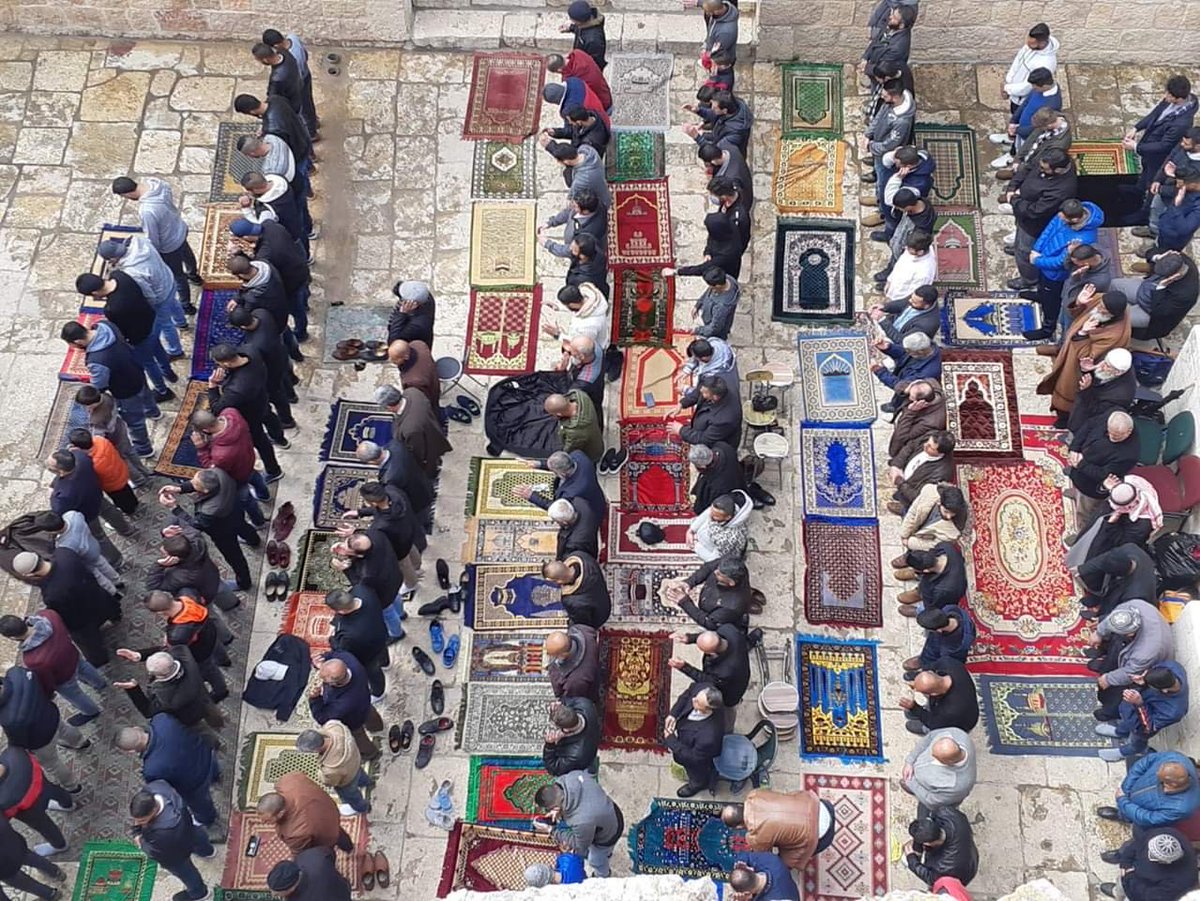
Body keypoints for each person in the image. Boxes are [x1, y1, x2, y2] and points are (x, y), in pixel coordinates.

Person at [59, 320, 159, 457]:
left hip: (125, 391)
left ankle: (144, 449)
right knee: (146, 395)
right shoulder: (105, 325)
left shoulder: (97, 360)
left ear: (78, 341)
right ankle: (154, 412)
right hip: (136, 371)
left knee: (135, 422)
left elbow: (99, 386)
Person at [74, 270, 174, 399]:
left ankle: (162, 391)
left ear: (94, 293)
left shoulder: (112, 309)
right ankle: (169, 373)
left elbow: (120, 330)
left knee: (149, 363)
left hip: (140, 337)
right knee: (158, 348)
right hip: (151, 319)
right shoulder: (119, 276)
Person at [12, 549, 119, 667]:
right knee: (110, 608)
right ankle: (116, 616)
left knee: (89, 643)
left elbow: (64, 614)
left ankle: (100, 660)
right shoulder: (65, 554)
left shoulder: (52, 594)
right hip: (97, 595)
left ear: (30, 574)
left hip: (83, 619)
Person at [1036, 291, 1131, 425]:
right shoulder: (1101, 299)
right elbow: (1076, 315)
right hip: (1070, 348)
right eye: (1100, 304)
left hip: (1077, 366)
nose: (1098, 307)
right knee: (1058, 377)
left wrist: (1082, 334)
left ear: (1111, 314)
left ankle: (1064, 419)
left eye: (1102, 308)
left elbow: (1087, 357)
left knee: (1067, 392)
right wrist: (1078, 303)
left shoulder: (1114, 334)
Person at [159, 469, 259, 591]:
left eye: (194, 484)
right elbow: (201, 481)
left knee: (235, 557)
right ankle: (254, 540)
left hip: (222, 531)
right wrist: (179, 488)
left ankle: (244, 583)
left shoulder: (210, 509)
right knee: (243, 527)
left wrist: (174, 508)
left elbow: (196, 525)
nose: (191, 482)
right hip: (235, 510)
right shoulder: (218, 472)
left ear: (205, 491)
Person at [0, 611, 105, 727]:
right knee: (85, 667)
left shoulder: (32, 659)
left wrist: (49, 694)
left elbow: (46, 681)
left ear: (13, 638)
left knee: (75, 695)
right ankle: (100, 684)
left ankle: (91, 711)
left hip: (63, 677)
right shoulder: (49, 615)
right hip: (73, 655)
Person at [111, 176, 200, 313]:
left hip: (169, 245)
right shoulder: (158, 184)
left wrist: (154, 253)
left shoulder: (147, 211)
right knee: (187, 255)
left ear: (127, 194)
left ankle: (186, 305)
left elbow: (152, 236)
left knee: (178, 276)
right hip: (179, 228)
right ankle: (194, 276)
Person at [115, 715, 220, 830]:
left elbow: (165, 787)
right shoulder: (162, 719)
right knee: (213, 768)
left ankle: (208, 820)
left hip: (195, 785)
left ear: (131, 751)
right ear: (136, 728)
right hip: (205, 754)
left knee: (202, 806)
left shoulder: (151, 770)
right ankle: (216, 776)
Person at [96, 235, 187, 368]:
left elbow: (148, 294)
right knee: (174, 303)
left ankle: (176, 351)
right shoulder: (140, 242)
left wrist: (151, 306)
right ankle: (182, 322)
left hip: (160, 295)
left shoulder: (133, 272)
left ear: (113, 259)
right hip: (168, 279)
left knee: (166, 324)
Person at [1022, 201, 1106, 337]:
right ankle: (1041, 295)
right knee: (1042, 285)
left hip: (1055, 274)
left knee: (1051, 301)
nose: (1059, 218)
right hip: (1042, 258)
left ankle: (1048, 328)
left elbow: (1062, 261)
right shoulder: (1065, 214)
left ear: (1075, 219)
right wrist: (1036, 250)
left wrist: (1037, 261)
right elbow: (1049, 230)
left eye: (1063, 217)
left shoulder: (1084, 239)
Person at [125, 591, 227, 701]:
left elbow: (169, 651)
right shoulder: (188, 597)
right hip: (210, 633)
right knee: (215, 652)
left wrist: (141, 655)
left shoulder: (177, 635)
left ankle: (221, 691)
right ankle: (224, 660)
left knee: (210, 671)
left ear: (161, 613)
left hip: (200, 653)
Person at [0, 666, 88, 794]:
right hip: (50, 714)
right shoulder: (17, 673)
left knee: (53, 764)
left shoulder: (8, 719)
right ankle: (81, 742)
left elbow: (18, 741)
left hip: (41, 740)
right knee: (65, 730)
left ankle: (72, 786)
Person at [207, 342, 286, 482]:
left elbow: (217, 408)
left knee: (261, 442)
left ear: (227, 363)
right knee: (269, 416)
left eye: (218, 363)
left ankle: (274, 470)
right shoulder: (251, 350)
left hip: (250, 414)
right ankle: (280, 438)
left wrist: (213, 386)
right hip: (261, 397)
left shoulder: (236, 389)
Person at [1003, 147, 1079, 291]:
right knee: (1019, 235)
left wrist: (1014, 200)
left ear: (1058, 170)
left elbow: (1035, 211)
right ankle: (1017, 247)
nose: (1040, 169)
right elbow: (1026, 168)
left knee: (1025, 251)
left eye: (1044, 169)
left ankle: (1029, 280)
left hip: (1034, 224)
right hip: (1022, 211)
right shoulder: (1047, 158)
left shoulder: (1061, 190)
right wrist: (1012, 187)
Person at [129, 783, 215, 901]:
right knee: (197, 836)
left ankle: (200, 893)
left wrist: (140, 841)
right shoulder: (158, 786)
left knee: (185, 872)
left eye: (142, 820)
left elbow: (154, 853)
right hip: (188, 826)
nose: (137, 823)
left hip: (174, 852)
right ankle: (208, 851)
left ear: (154, 810)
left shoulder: (161, 833)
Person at [190, 408, 272, 530]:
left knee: (246, 500)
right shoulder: (232, 413)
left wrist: (201, 449)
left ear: (206, 430)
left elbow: (214, 470)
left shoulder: (221, 454)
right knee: (256, 478)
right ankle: (264, 495)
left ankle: (259, 522)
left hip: (238, 476)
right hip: (248, 460)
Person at [988, 22, 1059, 163]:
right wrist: (1007, 82)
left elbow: (1028, 87)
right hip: (1015, 93)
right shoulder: (1030, 46)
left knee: (1021, 126)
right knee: (1015, 116)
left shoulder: (1046, 64)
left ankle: (1012, 154)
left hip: (1021, 96)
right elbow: (1018, 61)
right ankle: (1010, 136)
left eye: (1031, 43)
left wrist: (1008, 89)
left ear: (1041, 42)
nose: (1027, 45)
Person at [1094, 600, 1175, 721]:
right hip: (1136, 653)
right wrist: (1099, 633)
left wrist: (1108, 679)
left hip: (1146, 670)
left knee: (1123, 691)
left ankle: (1112, 711)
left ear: (1130, 634)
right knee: (1115, 648)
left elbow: (1130, 672)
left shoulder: (1145, 653)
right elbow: (1115, 615)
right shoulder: (1135, 606)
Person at [118, 648, 225, 739]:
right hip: (203, 699)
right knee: (213, 714)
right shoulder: (184, 655)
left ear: (155, 674)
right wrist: (139, 655)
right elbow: (167, 649)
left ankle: (214, 744)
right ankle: (219, 724)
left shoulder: (167, 699)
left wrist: (134, 689)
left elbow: (148, 711)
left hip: (190, 717)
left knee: (202, 732)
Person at [533, 771, 622, 877]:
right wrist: (560, 812)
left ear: (555, 807)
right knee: (599, 846)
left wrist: (551, 830)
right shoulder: (571, 776)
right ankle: (607, 854)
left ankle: (603, 875)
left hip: (610, 832)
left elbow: (580, 845)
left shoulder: (582, 821)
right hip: (610, 809)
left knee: (595, 860)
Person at [721, 789, 833, 873]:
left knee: (781, 866)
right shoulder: (754, 795)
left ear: (739, 827)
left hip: (820, 835)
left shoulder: (756, 836)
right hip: (816, 804)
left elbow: (767, 858)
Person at [1095, 662, 1189, 762]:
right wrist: (1143, 679)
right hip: (1132, 711)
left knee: (1137, 740)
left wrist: (1139, 704)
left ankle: (1125, 752)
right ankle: (1120, 732)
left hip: (1140, 725)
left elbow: (1148, 727)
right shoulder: (1173, 666)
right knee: (1127, 722)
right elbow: (1153, 668)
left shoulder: (1174, 711)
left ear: (1164, 690)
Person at [47, 447, 129, 554]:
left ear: (61, 472)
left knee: (99, 536)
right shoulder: (81, 457)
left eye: (50, 467)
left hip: (87, 513)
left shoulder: (63, 494)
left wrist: (51, 494)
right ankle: (126, 530)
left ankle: (115, 559)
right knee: (111, 511)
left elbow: (58, 510)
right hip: (96, 495)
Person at [1126, 76, 1199, 195]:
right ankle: (1139, 189)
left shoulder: (1181, 124)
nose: (1165, 96)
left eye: (1169, 95)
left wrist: (1136, 147)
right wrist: (1136, 128)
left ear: (1179, 99)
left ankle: (1146, 200)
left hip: (1158, 156)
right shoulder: (1170, 100)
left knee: (1152, 179)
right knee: (1145, 169)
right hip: (1149, 146)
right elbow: (1155, 115)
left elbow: (1164, 145)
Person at [0, 746, 78, 857]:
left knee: (45, 827)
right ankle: (68, 805)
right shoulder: (14, 754)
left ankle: (60, 845)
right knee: (56, 791)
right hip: (42, 784)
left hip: (29, 811)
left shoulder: (3, 800)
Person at [228, 306, 295, 433]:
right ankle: (292, 394)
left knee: (277, 395)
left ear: (243, 327)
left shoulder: (255, 345)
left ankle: (287, 420)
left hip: (272, 368)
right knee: (286, 376)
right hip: (280, 352)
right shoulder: (262, 313)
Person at [146, 523, 241, 613]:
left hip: (203, 593)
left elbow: (153, 587)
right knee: (221, 589)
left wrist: (158, 565)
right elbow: (179, 521)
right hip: (212, 575)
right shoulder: (197, 541)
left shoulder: (179, 576)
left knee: (207, 611)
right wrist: (166, 531)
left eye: (164, 553)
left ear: (174, 558)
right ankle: (232, 604)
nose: (161, 550)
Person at [1066, 411, 1139, 524]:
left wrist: (1081, 464)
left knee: (1085, 513)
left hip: (1091, 486)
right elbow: (1088, 426)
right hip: (1080, 471)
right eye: (1109, 432)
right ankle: (1076, 493)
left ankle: (1082, 531)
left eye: (1117, 436)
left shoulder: (1129, 455)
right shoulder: (1109, 418)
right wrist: (1074, 448)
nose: (1111, 437)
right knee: (1077, 486)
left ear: (1128, 432)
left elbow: (1105, 475)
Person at [670, 626, 750, 729]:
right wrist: (690, 638)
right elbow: (711, 637)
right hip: (741, 670)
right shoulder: (729, 630)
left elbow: (707, 680)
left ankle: (728, 730)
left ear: (712, 653)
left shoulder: (725, 671)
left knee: (727, 714)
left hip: (731, 692)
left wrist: (685, 667)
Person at [258, 771, 356, 854]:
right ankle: (349, 848)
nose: (262, 822)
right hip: (329, 811)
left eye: (268, 821)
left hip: (325, 836)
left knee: (324, 855)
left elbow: (301, 854)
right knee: (339, 834)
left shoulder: (294, 833)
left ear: (281, 813)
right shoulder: (288, 780)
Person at [308, 654, 382, 762]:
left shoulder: (343, 704)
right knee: (370, 713)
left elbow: (322, 717)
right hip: (365, 701)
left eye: (324, 679)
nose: (321, 679)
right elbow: (335, 653)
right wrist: (322, 662)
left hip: (353, 720)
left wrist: (315, 699)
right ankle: (377, 728)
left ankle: (371, 754)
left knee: (359, 737)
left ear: (335, 682)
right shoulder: (350, 660)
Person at [32, 507, 121, 597]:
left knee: (97, 575)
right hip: (93, 545)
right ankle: (117, 581)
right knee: (104, 564)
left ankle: (113, 592)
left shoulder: (64, 544)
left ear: (52, 531)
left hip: (86, 558)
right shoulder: (73, 515)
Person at [1096, 752, 1200, 828]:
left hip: (1145, 809)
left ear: (1172, 784)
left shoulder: (1181, 809)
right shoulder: (1173, 757)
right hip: (1134, 789)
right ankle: (1125, 808)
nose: (1156, 774)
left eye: (1161, 780)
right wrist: (1126, 788)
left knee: (1135, 818)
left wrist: (1122, 801)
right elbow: (1144, 763)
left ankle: (1122, 816)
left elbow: (1148, 818)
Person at [74, 384, 152, 484]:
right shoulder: (106, 396)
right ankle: (145, 471)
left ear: (92, 404)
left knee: (123, 460)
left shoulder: (97, 419)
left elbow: (99, 437)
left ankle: (138, 480)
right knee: (130, 452)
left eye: (85, 406)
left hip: (114, 440)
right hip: (121, 428)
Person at [355, 439, 435, 535]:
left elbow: (395, 499)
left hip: (416, 499)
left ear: (372, 462)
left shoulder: (390, 479)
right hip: (422, 480)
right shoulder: (395, 444)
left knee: (422, 519)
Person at [373, 385, 451, 479]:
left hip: (428, 445)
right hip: (431, 427)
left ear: (389, 407)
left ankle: (431, 475)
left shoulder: (410, 429)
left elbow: (418, 451)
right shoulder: (412, 392)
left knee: (428, 466)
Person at [1099, 827, 1198, 900]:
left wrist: (1129, 878)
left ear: (1167, 861)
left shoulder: (1182, 881)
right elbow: (1137, 843)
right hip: (1131, 873)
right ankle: (1117, 892)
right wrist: (1125, 863)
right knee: (1120, 884)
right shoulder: (1165, 833)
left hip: (1142, 887)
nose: (1148, 853)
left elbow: (1149, 896)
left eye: (1153, 856)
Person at [1115, 251, 1199, 336]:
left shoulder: (1186, 295)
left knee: (1116, 317)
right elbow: (1157, 250)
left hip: (1151, 311)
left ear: (1175, 276)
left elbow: (1159, 312)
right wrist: (1156, 257)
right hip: (1145, 290)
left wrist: (1161, 287)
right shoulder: (1177, 257)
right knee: (1115, 284)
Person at [893, 483, 970, 577]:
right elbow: (913, 511)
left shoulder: (954, 530)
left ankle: (915, 566)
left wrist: (909, 543)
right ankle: (903, 511)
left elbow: (933, 544)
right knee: (911, 513)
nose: (949, 516)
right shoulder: (930, 492)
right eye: (946, 511)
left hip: (928, 538)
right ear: (939, 502)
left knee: (929, 557)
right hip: (921, 522)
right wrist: (904, 533)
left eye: (953, 513)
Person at [324, 587, 389, 697]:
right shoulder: (363, 590)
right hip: (381, 635)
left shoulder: (349, 634)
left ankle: (378, 694)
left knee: (374, 673)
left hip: (369, 656)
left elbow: (341, 650)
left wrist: (331, 638)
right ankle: (386, 664)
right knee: (383, 652)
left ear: (341, 611)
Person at [862, 79, 916, 208]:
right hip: (878, 145)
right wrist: (868, 134)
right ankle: (878, 194)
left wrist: (871, 146)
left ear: (895, 97)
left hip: (886, 153)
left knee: (883, 182)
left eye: (885, 95)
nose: (882, 97)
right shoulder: (891, 102)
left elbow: (890, 145)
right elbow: (879, 115)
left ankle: (881, 206)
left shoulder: (902, 122)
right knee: (877, 167)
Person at [664, 683, 725, 797]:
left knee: (697, 773)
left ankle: (697, 785)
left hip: (697, 757)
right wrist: (673, 714)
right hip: (687, 735)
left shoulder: (709, 737)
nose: (693, 700)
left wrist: (671, 740)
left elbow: (693, 758)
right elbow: (687, 696)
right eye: (696, 697)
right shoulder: (703, 688)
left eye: (697, 702)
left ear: (707, 709)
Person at [296, 725, 371, 816]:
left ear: (316, 750)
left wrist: (320, 774)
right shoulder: (335, 727)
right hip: (355, 762)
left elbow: (330, 782)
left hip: (347, 781)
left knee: (351, 796)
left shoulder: (330, 769)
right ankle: (368, 783)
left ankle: (362, 808)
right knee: (361, 776)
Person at [1075, 543, 1158, 622]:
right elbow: (1106, 558)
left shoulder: (1135, 593)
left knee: (1111, 603)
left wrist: (1102, 619)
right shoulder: (1130, 549)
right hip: (1125, 585)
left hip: (1136, 605)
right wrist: (1081, 569)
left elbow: (1126, 612)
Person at [872, 189, 936, 288]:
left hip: (906, 246)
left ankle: (891, 281)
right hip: (902, 233)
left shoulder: (921, 227)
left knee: (900, 264)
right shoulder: (918, 203)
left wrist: (903, 249)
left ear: (908, 207)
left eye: (900, 208)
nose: (899, 209)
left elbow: (914, 244)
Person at [866, 145, 936, 234]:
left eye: (897, 164)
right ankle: (879, 201)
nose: (895, 164)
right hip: (892, 185)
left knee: (892, 218)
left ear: (908, 166)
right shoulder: (913, 153)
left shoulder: (919, 184)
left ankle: (888, 231)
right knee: (882, 191)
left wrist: (897, 178)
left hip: (897, 203)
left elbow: (891, 200)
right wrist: (894, 154)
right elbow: (886, 161)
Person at [261, 28, 319, 138]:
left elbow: (297, 76)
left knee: (304, 109)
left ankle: (312, 133)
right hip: (306, 75)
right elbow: (305, 54)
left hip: (300, 84)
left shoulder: (291, 57)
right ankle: (314, 122)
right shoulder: (293, 37)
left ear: (276, 45)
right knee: (308, 103)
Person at [668, 556, 751, 631]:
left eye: (719, 574)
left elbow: (709, 623)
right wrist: (689, 582)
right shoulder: (729, 563)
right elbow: (709, 567)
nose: (715, 572)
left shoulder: (731, 606)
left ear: (731, 582)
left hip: (718, 617)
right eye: (717, 569)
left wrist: (685, 602)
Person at [901, 727, 977, 808]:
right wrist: (910, 761)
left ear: (949, 762)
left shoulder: (957, 786)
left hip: (929, 793)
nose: (931, 755)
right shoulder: (957, 734)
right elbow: (930, 737)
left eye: (935, 757)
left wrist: (911, 783)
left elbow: (931, 800)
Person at [1067, 348, 1136, 435]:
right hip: (1082, 408)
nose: (1102, 365)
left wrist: (1086, 390)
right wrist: (1087, 370)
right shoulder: (1114, 362)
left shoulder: (1120, 396)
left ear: (1118, 372)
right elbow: (1098, 376)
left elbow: (1095, 411)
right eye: (1105, 361)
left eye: (1107, 366)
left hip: (1089, 423)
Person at [67, 429, 136, 516]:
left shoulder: (92, 463)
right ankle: (134, 503)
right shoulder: (100, 440)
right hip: (121, 471)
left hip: (113, 486)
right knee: (127, 491)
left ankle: (129, 511)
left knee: (122, 500)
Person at [902, 658, 979, 734]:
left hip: (962, 723)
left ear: (934, 694)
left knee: (937, 728)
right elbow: (932, 666)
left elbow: (933, 722)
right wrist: (920, 679)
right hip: (965, 698)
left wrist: (914, 708)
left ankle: (926, 729)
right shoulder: (948, 663)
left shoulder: (949, 711)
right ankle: (924, 711)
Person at [905, 809, 979, 889]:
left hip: (961, 877)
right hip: (970, 854)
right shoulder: (949, 814)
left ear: (928, 844)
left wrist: (912, 860)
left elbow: (930, 878)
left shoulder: (942, 867)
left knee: (938, 885)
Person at [886, 431, 956, 515]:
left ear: (940, 453)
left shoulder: (941, 474)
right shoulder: (930, 437)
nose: (925, 445)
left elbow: (919, 497)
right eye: (927, 442)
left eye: (930, 447)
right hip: (904, 478)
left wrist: (900, 483)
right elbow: (911, 446)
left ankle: (904, 508)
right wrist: (897, 465)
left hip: (908, 491)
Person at [522, 450, 606, 518]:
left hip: (589, 510)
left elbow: (557, 507)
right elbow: (561, 463)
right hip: (595, 493)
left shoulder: (571, 492)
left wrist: (532, 496)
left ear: (562, 474)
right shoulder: (578, 455)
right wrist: (539, 464)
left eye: (554, 472)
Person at [542, 555, 610, 630]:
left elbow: (583, 623)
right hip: (601, 593)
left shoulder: (571, 601)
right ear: (561, 562)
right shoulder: (583, 557)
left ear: (558, 581)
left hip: (602, 614)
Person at [906, 607, 975, 680]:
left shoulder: (952, 647)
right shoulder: (951, 609)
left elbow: (946, 661)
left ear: (939, 630)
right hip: (948, 636)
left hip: (947, 655)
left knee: (935, 655)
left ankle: (925, 666)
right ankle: (924, 658)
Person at [670, 375, 741, 447]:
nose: (701, 391)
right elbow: (699, 392)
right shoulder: (718, 382)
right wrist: (682, 404)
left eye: (705, 392)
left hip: (718, 445)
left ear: (715, 397)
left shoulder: (724, 420)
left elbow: (704, 440)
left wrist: (681, 431)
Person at [871, 331, 942, 402]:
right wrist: (889, 348)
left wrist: (880, 371)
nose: (906, 351)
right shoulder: (926, 346)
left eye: (908, 351)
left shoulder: (927, 373)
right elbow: (903, 354)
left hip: (911, 397)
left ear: (920, 352)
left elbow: (901, 385)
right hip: (903, 372)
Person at [541, 138, 610, 207]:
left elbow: (571, 198)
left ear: (567, 161)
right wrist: (549, 146)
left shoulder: (581, 180)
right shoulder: (587, 150)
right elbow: (564, 151)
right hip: (602, 187)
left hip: (599, 203)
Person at [542, 697, 601, 777]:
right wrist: (560, 703)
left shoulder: (575, 755)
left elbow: (554, 769)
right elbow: (568, 700)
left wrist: (550, 746)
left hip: (584, 762)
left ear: (566, 730)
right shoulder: (585, 704)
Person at [888, 380, 946, 458]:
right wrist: (905, 389)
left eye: (911, 397)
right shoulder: (930, 382)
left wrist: (910, 412)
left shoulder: (930, 423)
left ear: (920, 402)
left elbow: (902, 436)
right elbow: (901, 384)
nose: (909, 397)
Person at [688, 491, 751, 562]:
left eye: (715, 516)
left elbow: (715, 560)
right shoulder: (721, 511)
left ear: (727, 517)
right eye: (711, 511)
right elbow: (707, 513)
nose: (710, 515)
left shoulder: (730, 537)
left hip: (719, 554)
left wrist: (696, 546)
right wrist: (691, 530)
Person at [677, 338, 740, 407]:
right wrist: (687, 369)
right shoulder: (716, 343)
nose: (693, 358)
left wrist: (685, 390)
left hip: (724, 389)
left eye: (695, 357)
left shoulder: (712, 376)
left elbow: (703, 392)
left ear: (703, 358)